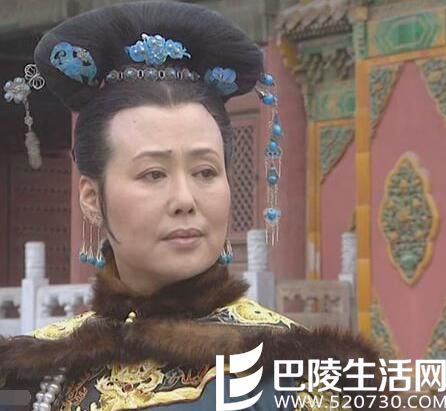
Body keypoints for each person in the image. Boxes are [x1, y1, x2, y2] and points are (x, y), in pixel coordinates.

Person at [0, 2, 391, 410]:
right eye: (154, 174)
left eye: (205, 172)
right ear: (92, 198)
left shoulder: (304, 374)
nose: (185, 200)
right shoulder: (35, 371)